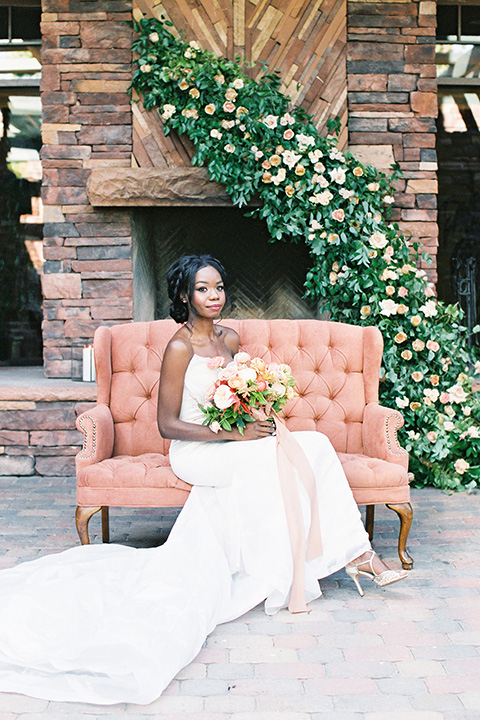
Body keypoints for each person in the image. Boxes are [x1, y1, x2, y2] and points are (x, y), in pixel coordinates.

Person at [0, 254, 406, 706]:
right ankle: (336, 559)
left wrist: (257, 411)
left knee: (312, 445)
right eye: (203, 289)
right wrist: (234, 432)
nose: (214, 297)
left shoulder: (230, 340)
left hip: (233, 444)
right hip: (195, 452)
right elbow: (167, 425)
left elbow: (235, 399)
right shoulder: (178, 348)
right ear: (184, 295)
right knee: (278, 459)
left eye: (218, 287)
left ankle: (353, 555)